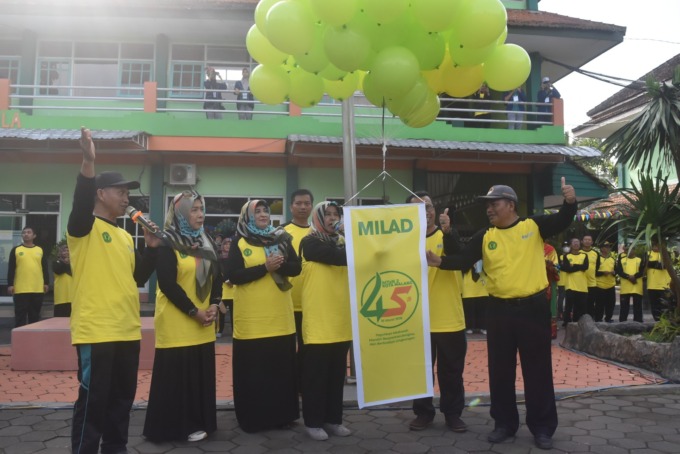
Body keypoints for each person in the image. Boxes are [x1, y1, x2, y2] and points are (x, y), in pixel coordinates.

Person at [426, 179, 577, 450]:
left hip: (533, 310)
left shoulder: (533, 226)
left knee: (538, 371)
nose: (489, 209)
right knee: (500, 371)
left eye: (494, 204)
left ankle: (542, 427)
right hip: (498, 311)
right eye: (487, 205)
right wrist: (442, 258)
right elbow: (463, 258)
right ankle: (504, 424)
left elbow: (563, 220)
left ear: (510, 205)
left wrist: (570, 202)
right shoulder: (485, 236)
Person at [68, 127, 161, 454]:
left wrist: (151, 249)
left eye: (127, 193)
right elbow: (81, 201)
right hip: (97, 331)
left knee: (122, 400)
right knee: (93, 401)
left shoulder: (123, 235)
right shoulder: (83, 228)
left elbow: (136, 277)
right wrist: (88, 161)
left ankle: (115, 449)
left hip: (127, 329)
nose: (126, 198)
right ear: (100, 193)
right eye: (120, 191)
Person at [143, 190, 221, 443]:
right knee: (177, 376)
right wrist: (193, 311)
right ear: (180, 213)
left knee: (199, 375)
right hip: (178, 319)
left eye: (201, 209)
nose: (200, 214)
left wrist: (214, 304)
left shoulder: (205, 240)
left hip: (203, 320)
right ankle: (173, 428)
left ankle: (200, 421)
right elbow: (167, 284)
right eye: (193, 209)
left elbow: (217, 276)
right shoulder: (167, 242)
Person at [224, 199, 301, 433]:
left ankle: (282, 416)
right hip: (252, 319)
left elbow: (296, 267)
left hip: (280, 317)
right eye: (256, 211)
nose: (262, 214)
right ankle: (253, 419)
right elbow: (233, 275)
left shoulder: (281, 238)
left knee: (280, 370)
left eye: (265, 211)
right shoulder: (240, 241)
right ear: (247, 216)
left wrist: (278, 266)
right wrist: (264, 268)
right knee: (255, 372)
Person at [407, 192, 468, 433]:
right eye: (418, 208)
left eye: (428, 206)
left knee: (451, 371)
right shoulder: (403, 241)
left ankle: (452, 414)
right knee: (420, 371)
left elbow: (461, 257)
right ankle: (423, 412)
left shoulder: (447, 235)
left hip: (448, 317)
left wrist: (449, 231)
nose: (426, 212)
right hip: (416, 318)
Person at [299, 201, 352, 441]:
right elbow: (337, 256)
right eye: (327, 214)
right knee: (316, 376)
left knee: (336, 375)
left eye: (335, 214)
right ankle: (313, 422)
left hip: (341, 319)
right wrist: (354, 240)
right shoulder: (310, 242)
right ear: (318, 218)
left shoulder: (343, 241)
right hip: (318, 321)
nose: (332, 218)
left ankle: (333, 420)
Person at [282, 189, 313, 384]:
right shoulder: (281, 233)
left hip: (311, 303)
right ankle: (287, 386)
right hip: (286, 302)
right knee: (284, 349)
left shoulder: (318, 232)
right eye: (298, 203)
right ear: (291, 206)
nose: (303, 207)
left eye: (307, 203)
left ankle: (303, 385)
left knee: (307, 348)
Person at [7, 225, 49, 327]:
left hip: (37, 289)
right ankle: (19, 335)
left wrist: (46, 283)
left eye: (29, 232)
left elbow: (45, 268)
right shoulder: (16, 250)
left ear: (34, 236)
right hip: (20, 289)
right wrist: (10, 284)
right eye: (24, 232)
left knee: (34, 316)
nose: (26, 234)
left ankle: (33, 335)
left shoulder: (40, 250)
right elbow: (11, 268)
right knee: (20, 316)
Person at [560, 238, 589, 326]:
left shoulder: (584, 255)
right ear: (571, 245)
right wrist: (579, 266)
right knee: (568, 306)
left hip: (582, 286)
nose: (576, 244)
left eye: (577, 242)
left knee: (580, 307)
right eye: (574, 242)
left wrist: (574, 266)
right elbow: (567, 269)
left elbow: (585, 267)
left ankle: (578, 323)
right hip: (570, 285)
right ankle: (567, 323)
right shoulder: (567, 256)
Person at [617, 246, 645, 322]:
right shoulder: (621, 260)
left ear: (634, 250)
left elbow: (642, 271)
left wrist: (634, 276)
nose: (628, 251)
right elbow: (619, 271)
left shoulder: (639, 260)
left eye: (630, 249)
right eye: (626, 250)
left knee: (637, 306)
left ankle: (638, 322)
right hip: (625, 287)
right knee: (624, 306)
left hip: (637, 286)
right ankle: (622, 322)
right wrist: (628, 277)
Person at [646, 240, 672, 321]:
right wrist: (657, 264)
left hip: (664, 285)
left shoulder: (666, 253)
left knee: (665, 306)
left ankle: (665, 322)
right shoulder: (647, 254)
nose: (655, 247)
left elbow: (665, 265)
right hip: (652, 285)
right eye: (654, 245)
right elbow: (646, 264)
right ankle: (656, 322)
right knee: (654, 306)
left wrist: (653, 264)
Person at [462, 261, 488, 335]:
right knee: (469, 308)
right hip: (468, 286)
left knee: (483, 308)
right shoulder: (467, 258)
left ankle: (484, 327)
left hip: (483, 285)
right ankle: (469, 326)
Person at [594, 241, 617, 323]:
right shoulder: (597, 259)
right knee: (599, 304)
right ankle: (598, 318)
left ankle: (608, 318)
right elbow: (594, 272)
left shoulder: (612, 259)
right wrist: (603, 273)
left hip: (610, 284)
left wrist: (614, 273)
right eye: (606, 247)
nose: (608, 249)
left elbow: (616, 271)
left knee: (611, 303)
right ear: (602, 249)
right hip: (600, 285)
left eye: (609, 247)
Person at [218, 237, 234, 337]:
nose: (228, 246)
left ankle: (234, 331)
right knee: (221, 312)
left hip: (234, 289)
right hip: (223, 290)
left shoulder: (235, 257)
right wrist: (226, 280)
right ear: (222, 245)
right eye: (226, 244)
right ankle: (220, 330)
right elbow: (218, 272)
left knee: (234, 313)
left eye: (230, 244)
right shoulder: (219, 258)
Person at [581, 234, 599, 317]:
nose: (587, 241)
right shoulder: (578, 253)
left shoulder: (596, 254)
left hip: (592, 283)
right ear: (582, 241)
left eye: (589, 240)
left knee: (591, 303)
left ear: (592, 242)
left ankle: (591, 319)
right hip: (580, 283)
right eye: (585, 239)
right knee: (581, 303)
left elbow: (597, 267)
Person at [52, 243, 73, 317]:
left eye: (68, 251)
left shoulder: (75, 263)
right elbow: (58, 270)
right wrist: (66, 263)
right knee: (60, 317)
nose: (66, 252)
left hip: (72, 295)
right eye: (64, 251)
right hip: (61, 296)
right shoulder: (56, 263)